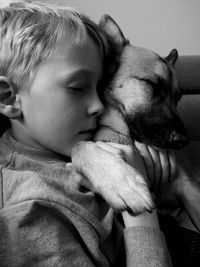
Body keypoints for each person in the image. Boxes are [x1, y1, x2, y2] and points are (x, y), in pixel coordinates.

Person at [0, 1, 173, 266]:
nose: (99, 105)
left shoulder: (62, 139)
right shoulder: (30, 211)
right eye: (78, 87)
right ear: (9, 98)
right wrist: (141, 214)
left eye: (99, 86)